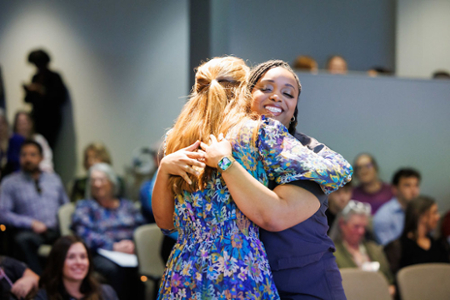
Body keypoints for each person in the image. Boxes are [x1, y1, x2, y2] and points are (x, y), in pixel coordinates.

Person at [153, 57, 352, 299]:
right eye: (265, 89)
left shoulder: (177, 138)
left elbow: (165, 224)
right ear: (246, 93)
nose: (275, 97)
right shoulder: (259, 132)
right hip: (236, 268)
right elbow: (340, 170)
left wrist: (164, 168)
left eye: (287, 93)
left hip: (184, 271)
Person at [71, 163, 145, 300]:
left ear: (112, 182)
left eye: (101, 180)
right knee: (115, 270)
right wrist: (114, 246)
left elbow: (140, 228)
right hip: (98, 252)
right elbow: (84, 235)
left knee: (143, 267)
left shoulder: (127, 206)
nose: (97, 184)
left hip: (130, 252)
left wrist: (133, 244)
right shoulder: (85, 207)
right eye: (93, 180)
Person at [0, 140, 68, 274]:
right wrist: (31, 223)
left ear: (41, 158)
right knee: (23, 240)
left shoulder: (54, 179)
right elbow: (2, 213)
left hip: (54, 230)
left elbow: (65, 206)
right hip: (28, 232)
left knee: (73, 242)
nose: (28, 159)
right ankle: (38, 281)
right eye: (24, 155)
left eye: (32, 154)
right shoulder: (10, 182)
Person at [333, 201, 396, 297]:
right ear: (342, 224)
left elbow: (389, 280)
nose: (361, 231)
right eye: (356, 226)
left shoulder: (374, 249)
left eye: (364, 227)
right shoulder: (332, 254)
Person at [34, 235, 118, 300]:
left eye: (83, 256)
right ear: (58, 261)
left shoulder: (106, 292)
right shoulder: (44, 296)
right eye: (71, 257)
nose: (79, 262)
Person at [384, 196, 449, 276]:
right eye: (434, 212)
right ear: (422, 216)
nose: (438, 217)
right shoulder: (398, 246)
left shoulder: (440, 245)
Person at [23, 49, 67, 150]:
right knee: (35, 147)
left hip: (50, 120)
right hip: (36, 119)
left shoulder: (54, 77)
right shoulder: (35, 77)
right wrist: (29, 91)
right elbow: (28, 100)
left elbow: (60, 98)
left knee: (47, 148)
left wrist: (41, 90)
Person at [373, 168, 421, 245]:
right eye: (407, 185)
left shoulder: (421, 211)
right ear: (395, 189)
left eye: (416, 185)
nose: (414, 191)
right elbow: (390, 250)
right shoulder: (384, 216)